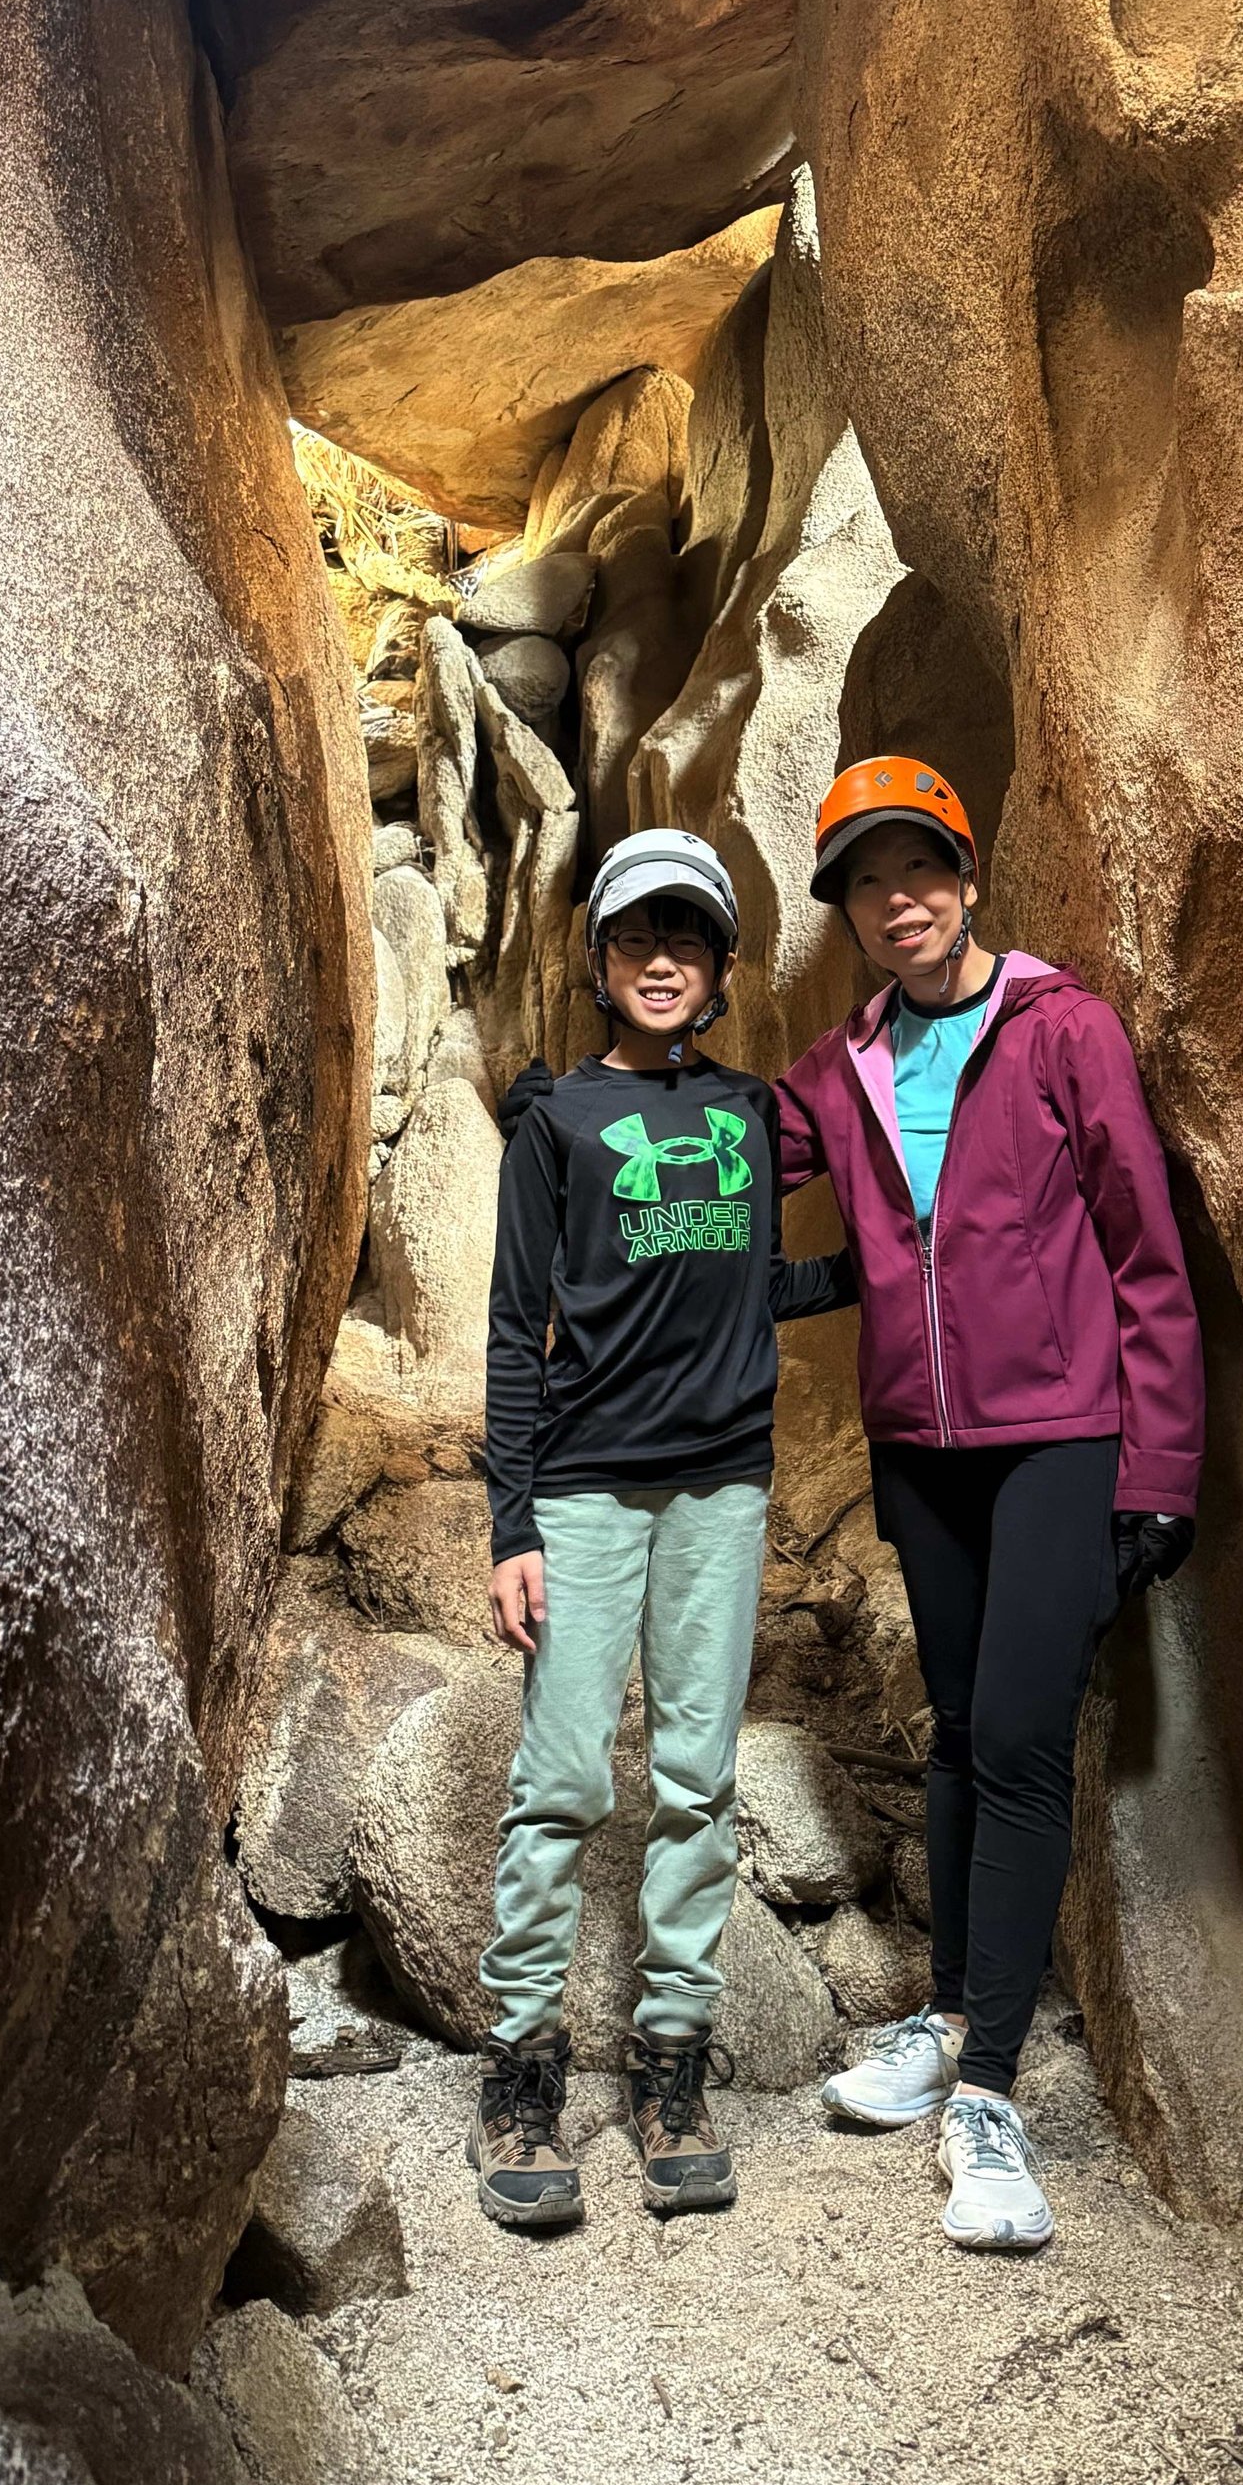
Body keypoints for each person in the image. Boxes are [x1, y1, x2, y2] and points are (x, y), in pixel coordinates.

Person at [776, 760, 1204, 2252]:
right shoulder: (842, 1069)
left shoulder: (1061, 1030)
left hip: (1058, 1437)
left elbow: (1148, 1257)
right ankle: (950, 2010)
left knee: (1020, 1742)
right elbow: (719, 1165)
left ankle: (995, 2094)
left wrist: (1157, 1474)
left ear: (964, 874)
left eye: (923, 868)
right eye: (868, 879)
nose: (901, 897)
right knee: (955, 1728)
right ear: (843, 906)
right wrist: (594, 1129)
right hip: (924, 1443)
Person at [468, 826, 852, 2234]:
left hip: (720, 1486)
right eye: (638, 937)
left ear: (725, 963)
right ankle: (519, 2072)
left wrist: (890, 1261)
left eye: (687, 937)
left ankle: (670, 2067)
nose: (663, 960)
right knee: (563, 1773)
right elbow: (518, 1327)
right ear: (599, 959)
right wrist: (511, 1519)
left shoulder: (752, 1112)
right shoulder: (556, 1124)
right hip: (580, 1487)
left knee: (695, 1777)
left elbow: (752, 1281)